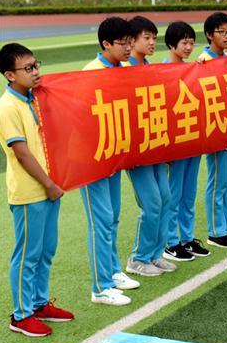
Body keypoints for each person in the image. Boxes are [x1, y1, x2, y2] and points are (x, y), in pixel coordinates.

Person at [1, 43, 75, 336]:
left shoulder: (36, 99)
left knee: (45, 251)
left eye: (36, 65)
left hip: (49, 188)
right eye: (28, 68)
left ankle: (39, 303)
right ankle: (20, 315)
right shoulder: (7, 107)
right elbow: (22, 153)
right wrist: (49, 184)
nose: (36, 72)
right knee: (27, 254)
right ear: (9, 74)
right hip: (30, 192)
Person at [81, 17, 139, 305]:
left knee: (113, 217)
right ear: (106, 44)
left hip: (115, 156)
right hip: (93, 160)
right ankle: (100, 287)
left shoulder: (125, 69)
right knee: (99, 222)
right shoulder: (90, 73)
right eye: (123, 43)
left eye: (131, 41)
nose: (129, 47)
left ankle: (113, 271)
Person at [121, 16, 176, 278]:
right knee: (152, 203)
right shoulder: (124, 70)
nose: (153, 42)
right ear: (131, 41)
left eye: (154, 37)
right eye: (147, 38)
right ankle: (138, 258)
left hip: (156, 145)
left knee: (165, 198)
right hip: (137, 151)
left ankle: (155, 253)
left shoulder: (150, 66)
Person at [196, 12, 227, 249]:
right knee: (218, 181)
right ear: (209, 35)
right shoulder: (203, 61)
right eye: (222, 32)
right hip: (217, 130)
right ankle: (216, 231)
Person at [162, 21, 209, 262]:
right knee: (174, 192)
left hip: (193, 138)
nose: (189, 47)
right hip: (176, 142)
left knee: (189, 192)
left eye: (192, 42)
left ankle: (187, 237)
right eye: (184, 42)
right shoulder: (162, 70)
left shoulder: (192, 68)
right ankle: (170, 241)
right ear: (172, 44)